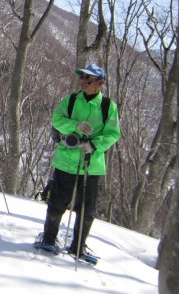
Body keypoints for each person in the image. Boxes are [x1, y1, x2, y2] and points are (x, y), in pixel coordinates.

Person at [34, 64, 121, 263]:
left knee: (87, 209)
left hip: (91, 164)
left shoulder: (109, 107)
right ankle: (48, 238)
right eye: (82, 78)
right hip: (66, 160)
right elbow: (57, 119)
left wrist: (94, 144)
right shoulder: (71, 100)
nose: (83, 81)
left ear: (100, 83)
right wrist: (75, 125)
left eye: (88, 79)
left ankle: (78, 246)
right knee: (57, 203)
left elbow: (113, 133)